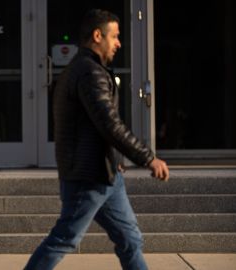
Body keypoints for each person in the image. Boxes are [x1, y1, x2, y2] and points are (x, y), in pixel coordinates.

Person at [24, 9, 169, 270]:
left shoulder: (83, 70)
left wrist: (114, 158)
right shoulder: (89, 73)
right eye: (114, 36)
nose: (118, 43)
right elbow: (109, 123)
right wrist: (148, 158)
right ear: (97, 35)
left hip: (106, 174)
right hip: (88, 175)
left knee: (130, 238)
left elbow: (95, 126)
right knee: (65, 238)